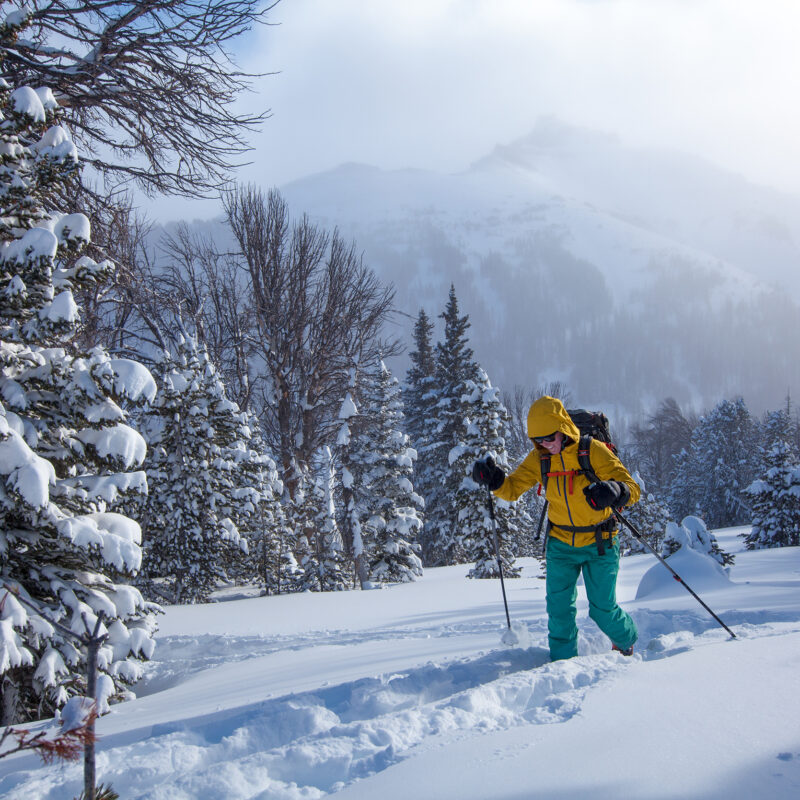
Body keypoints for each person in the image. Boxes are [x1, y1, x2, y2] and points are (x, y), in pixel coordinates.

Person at [473, 395, 640, 661]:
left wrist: (615, 490)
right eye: (537, 440)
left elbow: (632, 488)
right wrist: (495, 481)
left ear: (563, 429)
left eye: (549, 438)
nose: (544, 445)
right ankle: (562, 665)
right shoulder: (540, 459)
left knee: (602, 609)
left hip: (600, 542)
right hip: (561, 545)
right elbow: (513, 489)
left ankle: (626, 640)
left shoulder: (593, 451)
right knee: (559, 611)